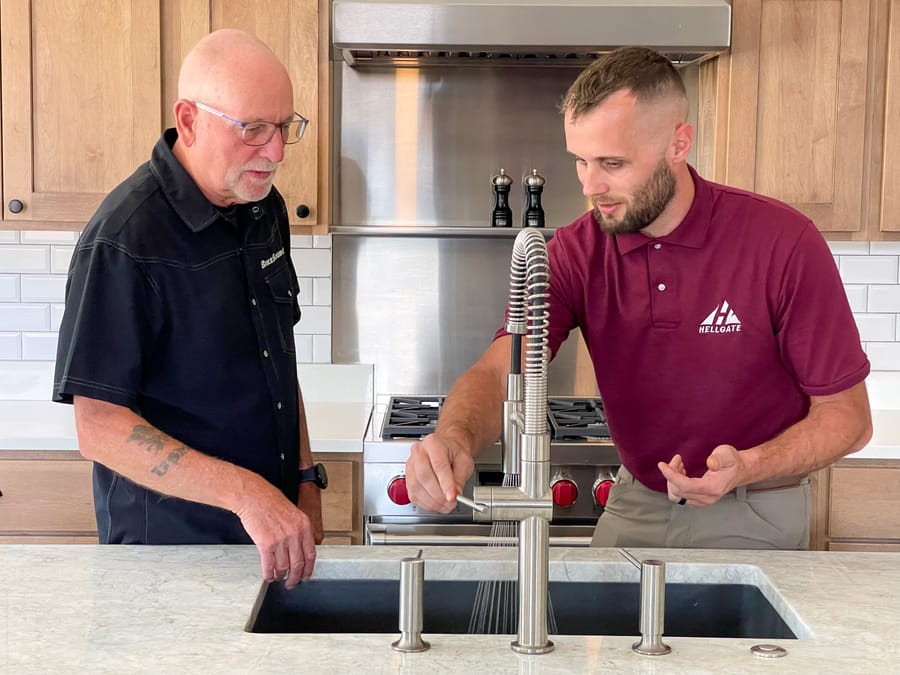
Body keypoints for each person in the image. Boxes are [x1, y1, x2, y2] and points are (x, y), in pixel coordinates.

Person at [404, 46, 873, 549]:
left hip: (754, 506)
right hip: (636, 501)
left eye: (613, 162)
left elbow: (847, 418)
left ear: (679, 143)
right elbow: (503, 369)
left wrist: (747, 466)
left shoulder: (781, 242)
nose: (591, 185)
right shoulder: (574, 252)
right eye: (581, 160)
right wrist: (453, 436)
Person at [53, 29, 324, 587]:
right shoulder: (124, 240)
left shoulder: (262, 208)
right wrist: (249, 495)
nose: (274, 153)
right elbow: (98, 427)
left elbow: (276, 357)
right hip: (167, 559)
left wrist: (303, 479)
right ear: (191, 119)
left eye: (283, 127)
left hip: (268, 541)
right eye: (252, 129)